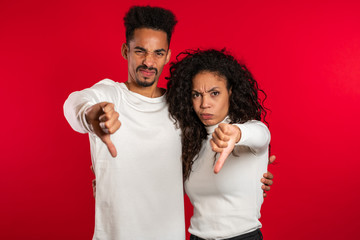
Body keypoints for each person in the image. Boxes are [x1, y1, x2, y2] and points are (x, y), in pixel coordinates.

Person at [64, 5, 274, 240]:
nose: (148, 62)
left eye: (158, 53)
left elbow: (250, 136)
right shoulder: (109, 96)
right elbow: (74, 104)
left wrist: (254, 173)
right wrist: (91, 116)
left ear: (168, 55)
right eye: (140, 51)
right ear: (126, 50)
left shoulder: (179, 110)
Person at [166, 49, 270, 240]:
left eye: (214, 93)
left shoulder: (249, 131)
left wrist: (237, 133)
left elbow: (262, 135)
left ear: (230, 92)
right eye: (196, 94)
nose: (204, 103)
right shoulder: (192, 143)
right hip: (196, 236)